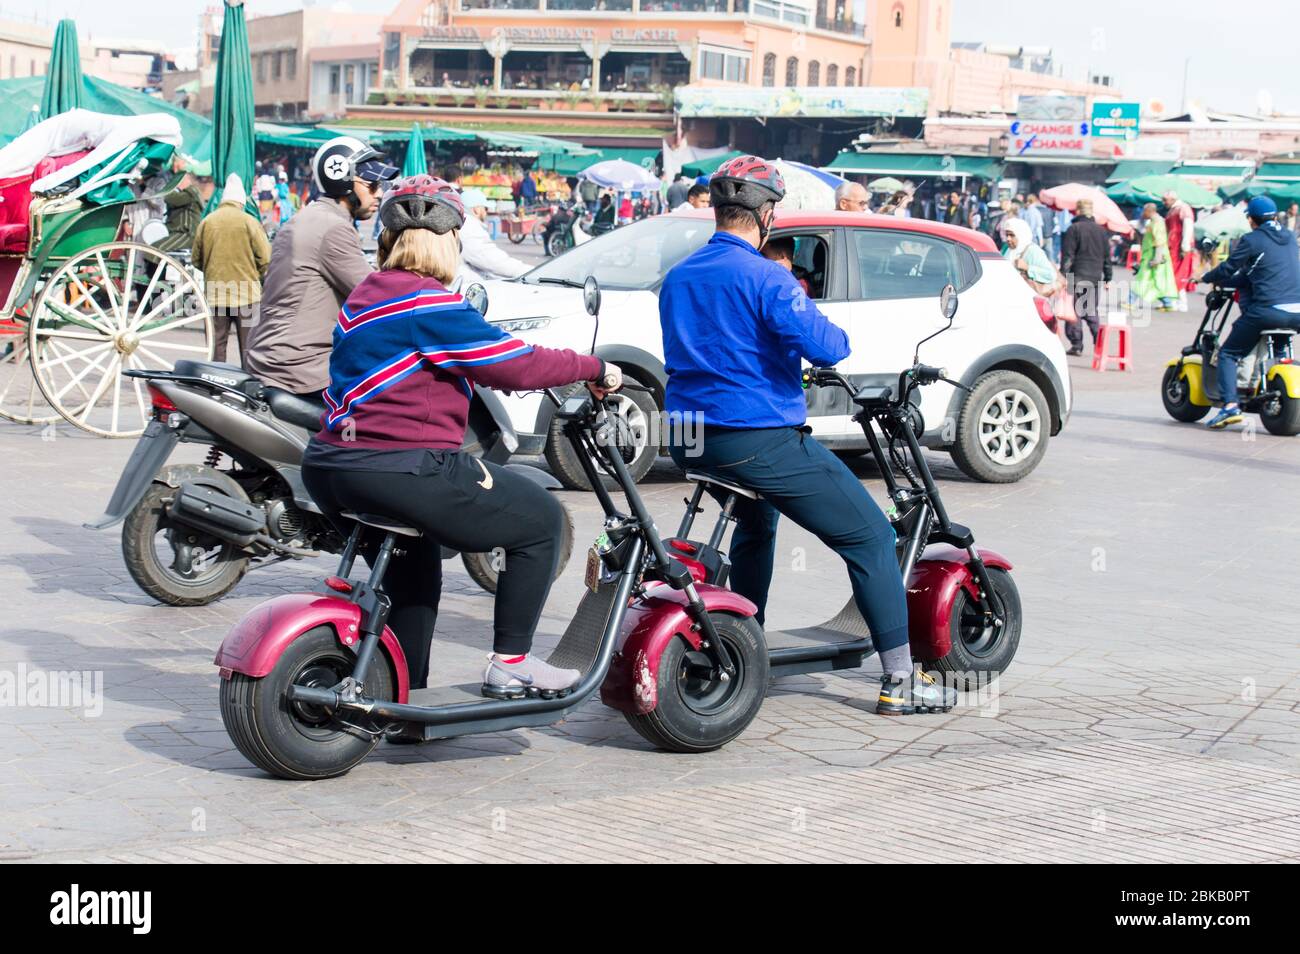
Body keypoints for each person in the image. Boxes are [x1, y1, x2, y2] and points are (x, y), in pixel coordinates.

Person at [300, 175, 623, 696]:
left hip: (331, 466)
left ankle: (402, 697)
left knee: (414, 574)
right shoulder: (431, 303)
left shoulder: (364, 293)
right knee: (541, 520)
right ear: (446, 240)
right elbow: (515, 365)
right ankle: (512, 660)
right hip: (401, 468)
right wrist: (592, 366)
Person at [658, 154, 956, 716]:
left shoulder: (679, 275)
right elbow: (830, 346)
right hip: (754, 437)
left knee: (756, 522)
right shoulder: (767, 276)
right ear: (766, 213)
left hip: (690, 437)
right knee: (869, 536)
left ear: (719, 210)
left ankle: (747, 644)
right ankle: (900, 680)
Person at [243, 136, 396, 398]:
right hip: (299, 367)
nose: (379, 192)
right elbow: (377, 296)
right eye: (371, 184)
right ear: (342, 181)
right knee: (388, 410)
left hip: (271, 355)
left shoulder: (307, 218)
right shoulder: (333, 228)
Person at [1198, 196, 1300, 429]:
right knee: (1277, 346)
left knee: (1228, 354)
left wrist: (1205, 277)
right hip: (1297, 312)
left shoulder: (1252, 239)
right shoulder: (1290, 238)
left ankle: (1230, 406)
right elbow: (1255, 273)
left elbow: (1229, 267)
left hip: (1268, 310)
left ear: (1252, 219)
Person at [190, 174, 272, 365]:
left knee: (216, 351)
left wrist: (211, 268)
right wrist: (256, 275)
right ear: (241, 201)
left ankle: (216, 389)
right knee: (249, 352)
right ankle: (248, 392)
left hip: (215, 294)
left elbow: (196, 259)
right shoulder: (249, 222)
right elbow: (266, 258)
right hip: (247, 296)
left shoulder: (207, 222)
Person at [1059, 198, 1113, 356]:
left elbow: (1068, 256)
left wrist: (1063, 276)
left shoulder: (1073, 229)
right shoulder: (1101, 231)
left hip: (1076, 277)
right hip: (1094, 277)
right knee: (1090, 311)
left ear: (1077, 211)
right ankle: (1099, 342)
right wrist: (1108, 277)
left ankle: (1077, 345)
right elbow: (1106, 258)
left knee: (1074, 312)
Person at [458, 187, 529, 283]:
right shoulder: (469, 227)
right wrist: (527, 271)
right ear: (476, 210)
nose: (486, 212)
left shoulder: (463, 224)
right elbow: (493, 261)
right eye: (485, 208)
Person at [1132, 202, 1178, 310]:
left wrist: (1157, 258)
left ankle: (1130, 301)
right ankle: (1167, 303)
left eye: (1144, 211)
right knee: (1157, 280)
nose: (1143, 213)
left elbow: (1159, 241)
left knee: (1142, 278)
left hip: (1154, 256)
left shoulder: (1157, 222)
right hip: (1151, 255)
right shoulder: (1154, 221)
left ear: (1149, 211)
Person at [155, 154, 204, 253]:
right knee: (155, 247)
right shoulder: (189, 193)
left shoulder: (190, 194)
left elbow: (171, 199)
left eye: (180, 179)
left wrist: (169, 189)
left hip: (187, 234)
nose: (178, 183)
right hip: (181, 232)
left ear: (188, 179)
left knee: (157, 249)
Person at [1004, 218, 1059, 296]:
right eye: (1007, 235)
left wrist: (1028, 268)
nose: (1008, 239)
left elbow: (1051, 275)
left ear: (1020, 234)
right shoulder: (1007, 249)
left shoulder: (1032, 251)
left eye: (1012, 235)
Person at [1162, 190, 1195, 311]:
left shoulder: (1183, 208)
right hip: (1172, 246)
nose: (1163, 202)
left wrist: (1185, 245)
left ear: (1172, 199)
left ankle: (1179, 302)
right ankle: (1176, 301)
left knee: (1178, 273)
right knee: (1172, 273)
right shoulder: (1173, 209)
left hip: (1179, 246)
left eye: (1165, 200)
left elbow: (1188, 225)